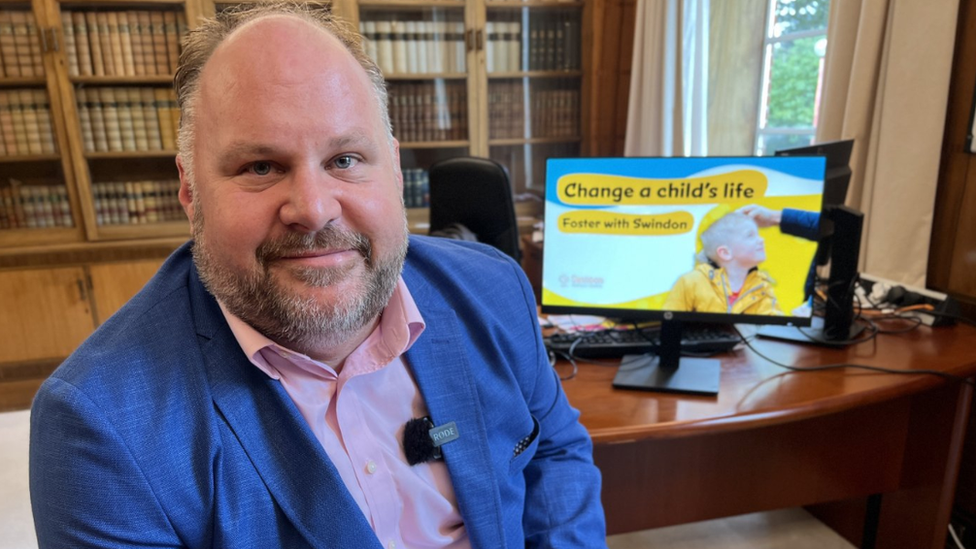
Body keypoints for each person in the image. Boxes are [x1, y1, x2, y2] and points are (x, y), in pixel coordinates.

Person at [28, 4, 606, 548]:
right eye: (261, 166)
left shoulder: (494, 288)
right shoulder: (97, 425)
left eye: (344, 160)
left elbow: (555, 453)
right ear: (189, 190)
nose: (313, 207)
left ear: (396, 170)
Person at [663, 211, 782, 314]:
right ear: (725, 253)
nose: (761, 240)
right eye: (750, 235)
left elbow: (773, 330)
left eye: (758, 234)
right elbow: (669, 325)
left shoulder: (762, 287)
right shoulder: (691, 282)